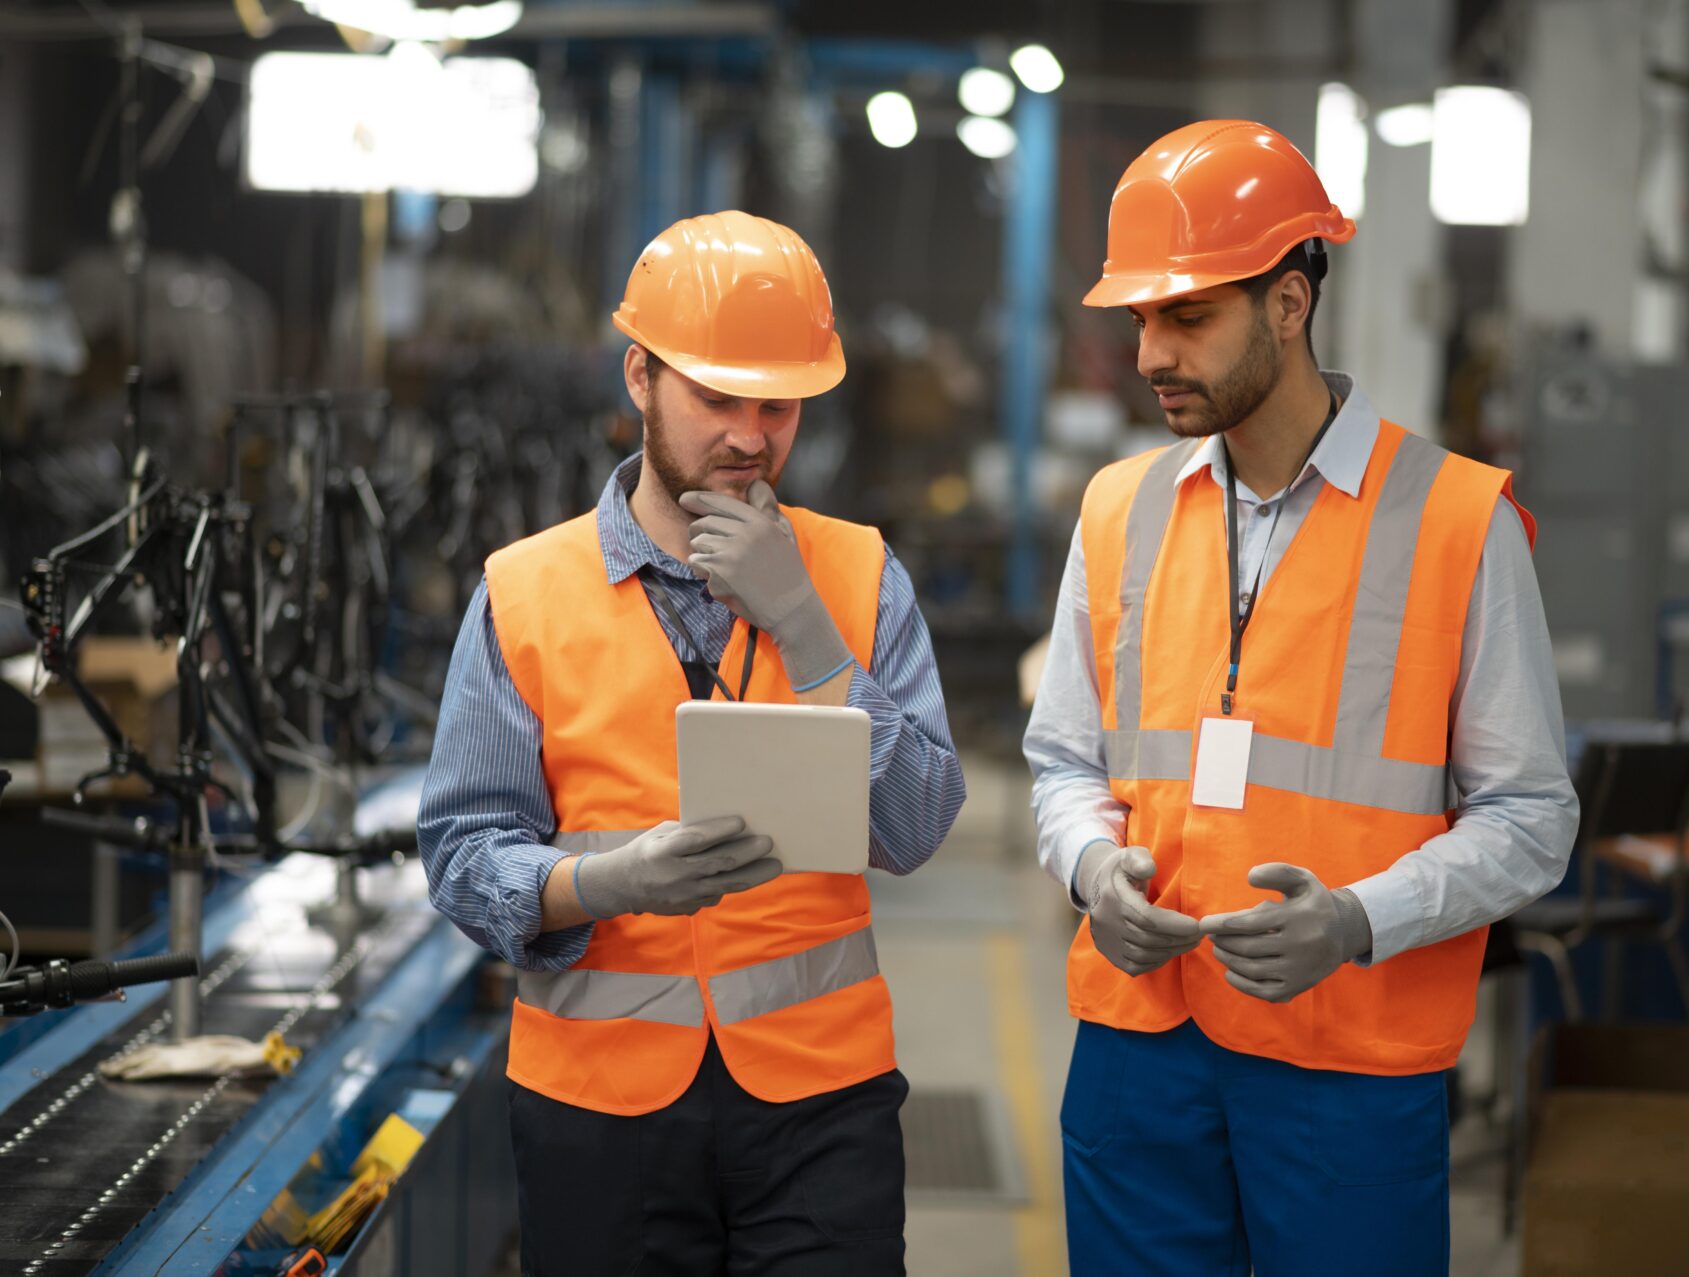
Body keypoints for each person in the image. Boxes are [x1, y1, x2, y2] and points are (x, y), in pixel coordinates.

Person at [1024, 120, 1579, 1275]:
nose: (1150, 357)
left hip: (1349, 1063)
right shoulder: (1118, 510)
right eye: (1142, 320)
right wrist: (1091, 869)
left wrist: (1355, 920)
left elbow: (1532, 817)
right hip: (1139, 1049)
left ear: (1288, 301)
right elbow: (1065, 761)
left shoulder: (1459, 522)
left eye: (1188, 318)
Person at [419, 210, 965, 1276]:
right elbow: (464, 853)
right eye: (718, 397)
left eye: (778, 404)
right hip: (598, 1111)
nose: (752, 436)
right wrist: (605, 880)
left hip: (822, 1109)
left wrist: (807, 629)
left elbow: (913, 827)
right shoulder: (524, 593)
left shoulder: (856, 577)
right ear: (640, 378)